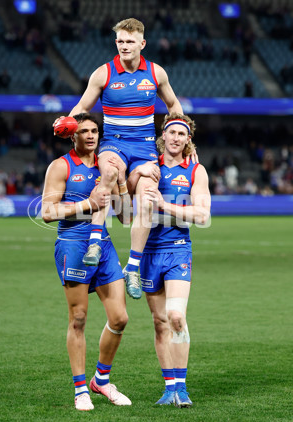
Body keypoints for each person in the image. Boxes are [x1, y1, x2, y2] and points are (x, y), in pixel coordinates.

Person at [53, 17, 186, 301]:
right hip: (114, 143)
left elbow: (173, 105)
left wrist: (187, 138)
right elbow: (82, 106)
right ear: (116, 43)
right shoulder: (102, 74)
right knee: (110, 173)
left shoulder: (156, 73)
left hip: (146, 147)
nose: (125, 46)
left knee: (149, 195)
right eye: (120, 41)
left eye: (130, 41)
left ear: (142, 43)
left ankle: (133, 266)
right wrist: (67, 120)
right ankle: (95, 242)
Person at [41, 113, 133, 411]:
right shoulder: (61, 166)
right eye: (84, 131)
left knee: (120, 318)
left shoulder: (107, 165)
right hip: (73, 245)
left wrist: (120, 183)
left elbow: (126, 217)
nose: (91, 135)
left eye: (95, 130)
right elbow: (47, 212)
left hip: (103, 246)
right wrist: (87, 204)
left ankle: (101, 381)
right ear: (73, 136)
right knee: (78, 318)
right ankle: (81, 389)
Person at [128, 113, 210, 407]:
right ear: (162, 136)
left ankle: (183, 388)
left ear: (188, 139)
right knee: (160, 322)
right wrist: (135, 177)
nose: (175, 138)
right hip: (148, 252)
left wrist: (164, 205)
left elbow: (202, 215)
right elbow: (128, 205)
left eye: (181, 133)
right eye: (171, 132)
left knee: (176, 316)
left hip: (177, 249)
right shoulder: (149, 169)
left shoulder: (195, 171)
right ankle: (170, 387)